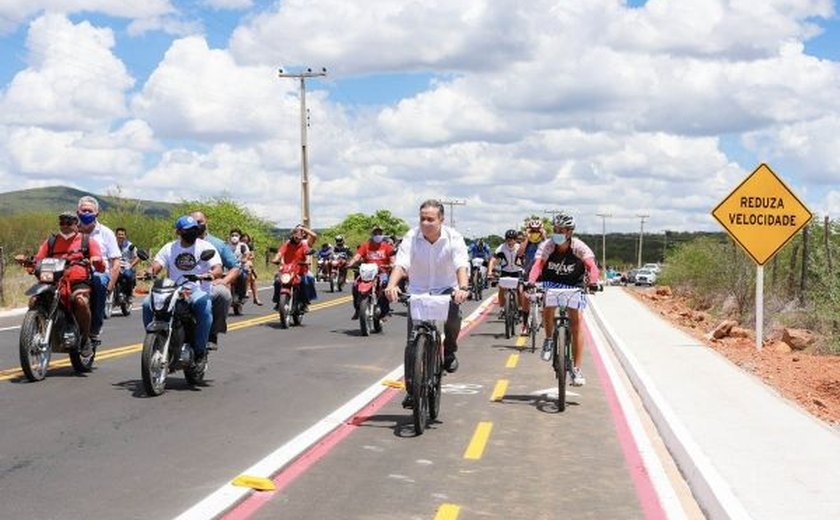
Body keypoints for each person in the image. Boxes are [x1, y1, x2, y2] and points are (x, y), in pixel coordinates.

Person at [384, 200, 470, 409]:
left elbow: (460, 264)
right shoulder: (411, 237)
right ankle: (412, 390)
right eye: (422, 218)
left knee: (454, 317)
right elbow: (401, 264)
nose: (425, 223)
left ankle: (449, 349)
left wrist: (463, 288)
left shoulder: (453, 237)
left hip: (446, 289)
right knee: (412, 343)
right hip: (418, 291)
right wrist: (391, 285)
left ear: (441, 220)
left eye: (430, 219)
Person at [527, 212, 600, 386]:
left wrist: (594, 282)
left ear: (570, 232)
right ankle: (549, 340)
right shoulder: (547, 246)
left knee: (576, 323)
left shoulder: (580, 247)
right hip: (551, 282)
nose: (558, 232)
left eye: (562, 230)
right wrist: (531, 281)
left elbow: (592, 267)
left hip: (573, 285)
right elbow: (537, 265)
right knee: (548, 305)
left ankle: (576, 369)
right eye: (556, 229)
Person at [142, 216, 222, 367]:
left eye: (194, 230)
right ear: (178, 231)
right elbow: (157, 263)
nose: (191, 233)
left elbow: (217, 267)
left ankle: (199, 352)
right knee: (147, 304)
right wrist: (149, 271)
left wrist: (211, 274)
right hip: (173, 289)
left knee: (204, 308)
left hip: (197, 289)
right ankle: (155, 340)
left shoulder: (205, 247)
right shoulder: (170, 247)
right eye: (187, 230)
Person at [31, 211, 106, 357]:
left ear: (76, 224)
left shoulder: (87, 240)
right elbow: (38, 258)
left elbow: (99, 262)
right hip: (53, 278)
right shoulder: (51, 241)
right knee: (34, 300)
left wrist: (96, 260)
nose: (65, 226)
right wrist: (30, 263)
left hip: (78, 280)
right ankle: (35, 332)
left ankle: (85, 339)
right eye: (62, 223)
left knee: (80, 301)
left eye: (68, 223)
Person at [190, 211, 240, 350]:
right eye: (194, 222)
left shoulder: (218, 244)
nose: (197, 225)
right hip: (185, 284)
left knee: (223, 294)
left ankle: (212, 333)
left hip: (210, 284)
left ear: (206, 222)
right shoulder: (182, 242)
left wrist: (224, 281)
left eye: (200, 222)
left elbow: (235, 267)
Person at [76, 196, 121, 347]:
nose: (86, 213)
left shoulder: (106, 233)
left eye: (90, 211)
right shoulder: (72, 230)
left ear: (97, 213)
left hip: (99, 272)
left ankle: (95, 328)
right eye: (84, 210)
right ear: (78, 212)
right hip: (75, 272)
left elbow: (115, 262)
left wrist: (111, 285)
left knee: (98, 281)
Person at [348, 224, 395, 320]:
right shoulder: (365, 246)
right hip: (367, 272)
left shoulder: (387, 247)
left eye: (379, 233)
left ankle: (384, 311)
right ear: (372, 234)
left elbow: (392, 260)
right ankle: (358, 309)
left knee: (385, 285)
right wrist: (351, 263)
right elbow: (357, 256)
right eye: (375, 233)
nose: (377, 235)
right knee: (355, 285)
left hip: (382, 272)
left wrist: (391, 265)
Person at [271, 224, 318, 311]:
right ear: (293, 235)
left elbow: (308, 247)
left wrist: (306, 261)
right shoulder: (287, 244)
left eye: (300, 235)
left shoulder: (304, 244)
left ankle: (304, 302)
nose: (298, 237)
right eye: (296, 235)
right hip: (287, 270)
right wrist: (276, 259)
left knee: (307, 280)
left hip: (300, 270)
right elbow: (280, 253)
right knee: (277, 280)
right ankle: (278, 301)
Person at [487, 229, 527, 326]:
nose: (510, 241)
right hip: (505, 271)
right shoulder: (501, 248)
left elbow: (526, 258)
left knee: (520, 290)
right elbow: (493, 260)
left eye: (512, 239)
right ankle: (504, 307)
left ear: (515, 239)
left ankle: (521, 309)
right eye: (508, 239)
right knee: (501, 288)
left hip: (518, 271)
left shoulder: (519, 247)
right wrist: (489, 272)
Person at [115, 227, 140, 298]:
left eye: (122, 234)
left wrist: (131, 265)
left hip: (126, 266)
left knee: (128, 275)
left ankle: (129, 294)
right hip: (115, 266)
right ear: (116, 235)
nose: (120, 236)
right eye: (119, 234)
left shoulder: (130, 246)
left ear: (125, 236)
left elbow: (138, 257)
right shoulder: (112, 244)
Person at [228, 228, 250, 303]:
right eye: (232, 235)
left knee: (243, 276)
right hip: (229, 268)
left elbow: (246, 254)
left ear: (239, 236)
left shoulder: (242, 246)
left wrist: (244, 259)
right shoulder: (226, 246)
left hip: (240, 267)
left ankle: (242, 295)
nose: (234, 237)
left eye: (236, 235)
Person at [240, 233, 263, 305]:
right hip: (238, 263)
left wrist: (247, 258)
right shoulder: (237, 245)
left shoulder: (249, 246)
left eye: (246, 238)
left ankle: (255, 298)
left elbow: (252, 256)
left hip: (247, 263)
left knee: (252, 279)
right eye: (243, 238)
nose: (244, 239)